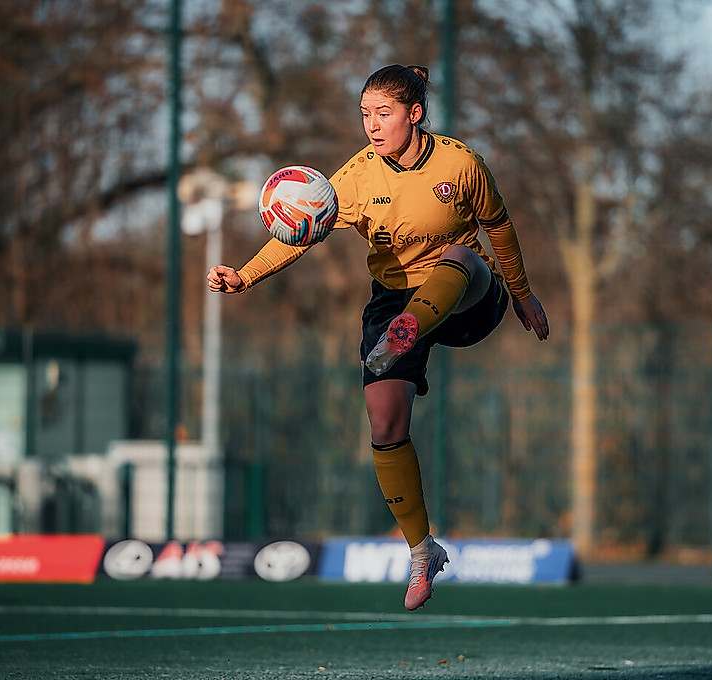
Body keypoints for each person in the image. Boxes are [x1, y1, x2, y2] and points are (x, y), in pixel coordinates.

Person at [207, 64, 549, 610]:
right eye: (364, 114)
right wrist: (245, 273)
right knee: (385, 423)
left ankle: (409, 328)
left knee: (459, 255)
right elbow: (300, 232)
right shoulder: (357, 176)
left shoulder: (462, 164)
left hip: (468, 293)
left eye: (382, 113)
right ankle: (422, 551)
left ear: (414, 114)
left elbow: (500, 227)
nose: (371, 125)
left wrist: (524, 292)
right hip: (393, 300)